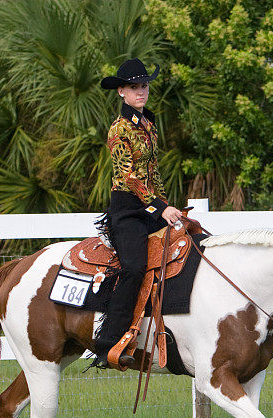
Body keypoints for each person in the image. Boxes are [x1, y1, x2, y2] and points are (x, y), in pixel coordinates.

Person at [91, 58, 183, 369]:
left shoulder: (149, 126)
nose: (140, 91)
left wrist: (168, 207)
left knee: (188, 244)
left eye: (143, 85)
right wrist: (161, 207)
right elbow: (129, 177)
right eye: (134, 87)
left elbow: (154, 173)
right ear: (121, 92)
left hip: (153, 207)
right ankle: (108, 345)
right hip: (128, 209)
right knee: (133, 268)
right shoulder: (119, 129)